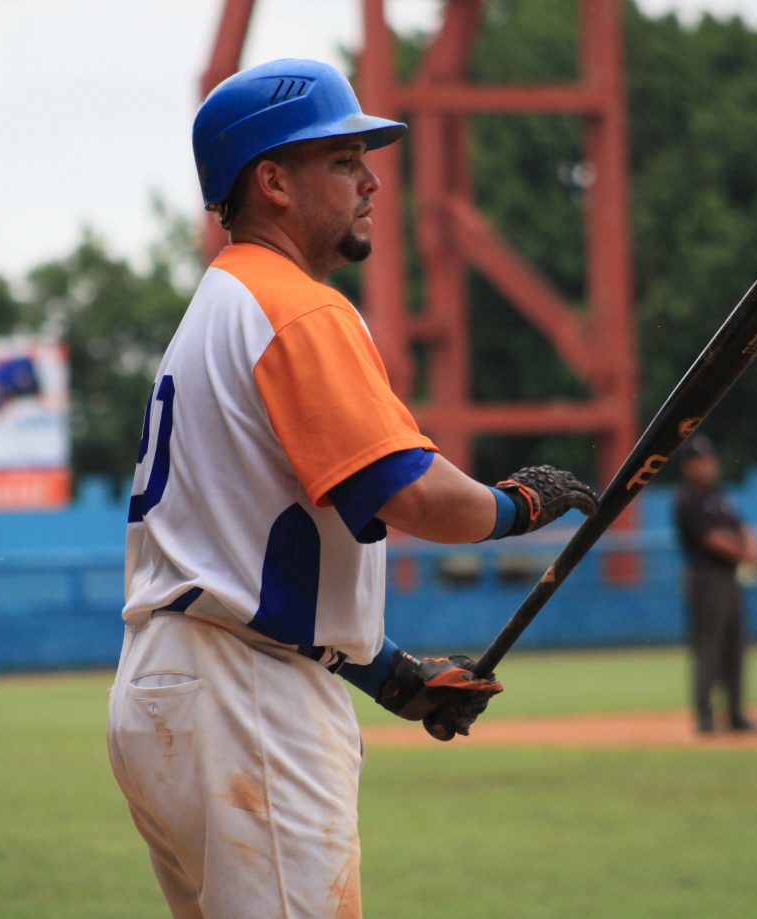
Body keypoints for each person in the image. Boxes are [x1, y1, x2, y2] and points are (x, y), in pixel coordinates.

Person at [106, 58, 598, 918]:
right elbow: (410, 493)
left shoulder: (219, 304)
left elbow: (255, 542)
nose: (372, 179)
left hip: (172, 688)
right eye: (342, 160)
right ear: (273, 182)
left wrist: (387, 673)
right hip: (243, 699)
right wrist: (518, 503)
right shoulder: (295, 306)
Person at [673, 434, 757, 735]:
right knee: (709, 647)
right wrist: (744, 552)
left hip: (729, 576)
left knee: (734, 645)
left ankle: (736, 714)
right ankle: (705, 717)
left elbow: (743, 527)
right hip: (705, 577)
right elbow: (711, 539)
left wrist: (752, 546)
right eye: (701, 460)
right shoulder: (687, 498)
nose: (708, 465)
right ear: (687, 466)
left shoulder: (718, 496)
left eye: (709, 459)